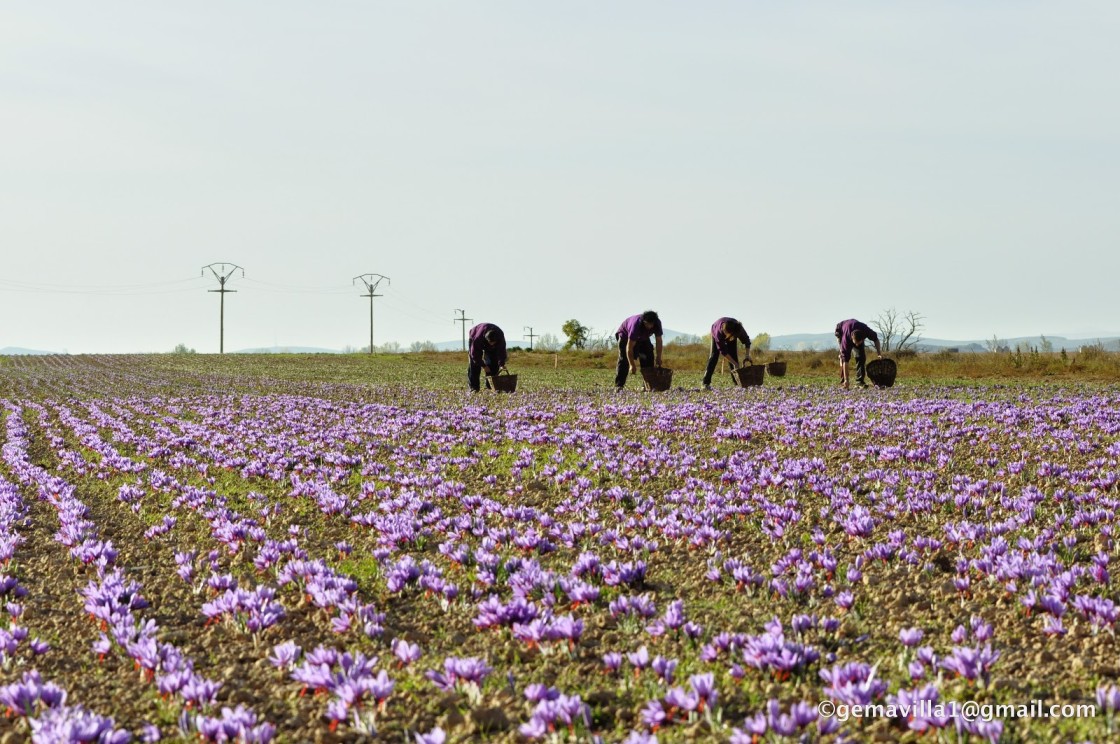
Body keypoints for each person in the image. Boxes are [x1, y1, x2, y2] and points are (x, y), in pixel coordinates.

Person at [615, 310, 663, 389]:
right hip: (625, 337)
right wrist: (632, 364)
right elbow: (629, 347)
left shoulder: (657, 323)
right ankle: (619, 385)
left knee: (648, 356)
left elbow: (659, 341)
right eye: (648, 324)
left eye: (652, 324)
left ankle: (647, 385)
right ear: (644, 321)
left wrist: (658, 357)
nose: (650, 326)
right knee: (624, 360)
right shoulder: (636, 325)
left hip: (643, 337)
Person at [703, 318, 752, 389]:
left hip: (732, 332)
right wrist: (734, 363)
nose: (728, 339)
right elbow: (723, 351)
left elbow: (747, 341)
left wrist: (747, 355)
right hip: (716, 328)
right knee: (714, 356)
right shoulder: (718, 333)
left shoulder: (738, 329)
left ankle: (737, 382)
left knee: (733, 355)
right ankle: (705, 383)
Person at [834, 318, 882, 389]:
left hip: (856, 329)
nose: (856, 345)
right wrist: (847, 379)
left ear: (863, 339)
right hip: (840, 331)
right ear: (852, 338)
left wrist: (879, 353)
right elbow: (845, 361)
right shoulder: (846, 339)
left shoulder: (866, 330)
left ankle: (860, 381)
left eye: (859, 343)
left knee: (861, 357)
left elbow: (876, 339)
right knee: (843, 357)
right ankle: (844, 381)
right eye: (855, 343)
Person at [467, 322, 507, 392]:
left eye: (493, 343)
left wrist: (502, 363)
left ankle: (491, 386)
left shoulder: (500, 336)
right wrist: (484, 366)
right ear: (487, 339)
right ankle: (474, 388)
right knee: (474, 365)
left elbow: (502, 350)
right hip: (475, 334)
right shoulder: (477, 338)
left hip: (491, 341)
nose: (491, 344)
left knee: (494, 364)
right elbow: (475, 355)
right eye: (490, 342)